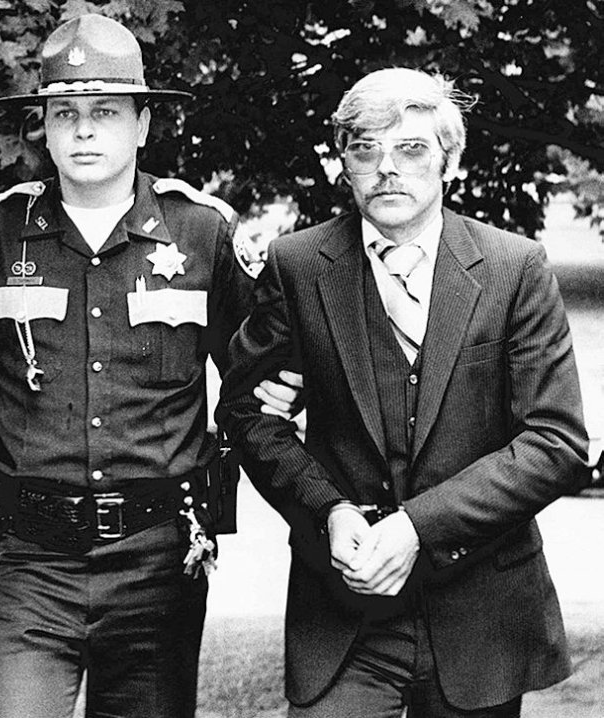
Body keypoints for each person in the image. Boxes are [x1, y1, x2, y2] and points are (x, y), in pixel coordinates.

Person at [0, 14, 300, 718]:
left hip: (159, 566)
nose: (83, 130)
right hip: (27, 564)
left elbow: (264, 387)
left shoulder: (202, 231)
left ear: (142, 126)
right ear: (42, 126)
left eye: (105, 112)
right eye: (64, 113)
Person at [218, 68, 590, 717]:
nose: (386, 168)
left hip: (481, 614)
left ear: (451, 162)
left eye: (411, 148)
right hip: (343, 611)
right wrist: (326, 510)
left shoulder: (513, 269)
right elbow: (248, 414)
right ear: (345, 163)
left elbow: (556, 444)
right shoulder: (299, 265)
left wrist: (418, 527)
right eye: (365, 148)